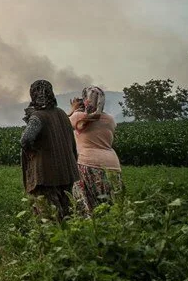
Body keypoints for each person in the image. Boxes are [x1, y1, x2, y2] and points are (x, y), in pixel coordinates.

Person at [19, 79, 80, 222]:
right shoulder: (62, 114)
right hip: (66, 171)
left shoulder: (37, 117)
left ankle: (52, 243)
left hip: (46, 175)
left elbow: (25, 140)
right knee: (67, 214)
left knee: (48, 216)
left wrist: (32, 150)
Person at [68, 85, 122, 216]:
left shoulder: (78, 116)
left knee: (87, 208)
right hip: (113, 166)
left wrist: (73, 109)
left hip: (88, 164)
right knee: (111, 206)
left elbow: (61, 123)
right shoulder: (110, 120)